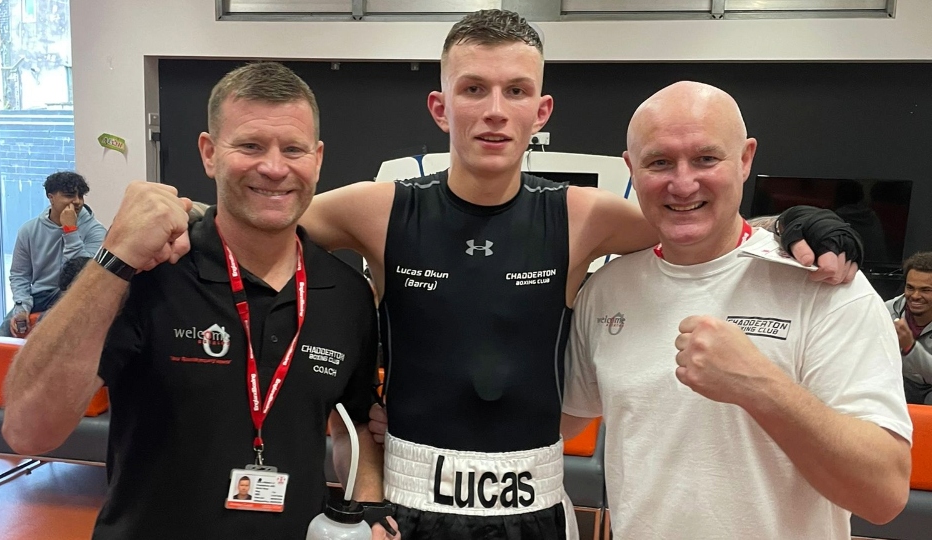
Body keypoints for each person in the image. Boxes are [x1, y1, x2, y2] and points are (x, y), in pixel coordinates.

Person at [299, 9, 861, 539]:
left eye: (515, 90)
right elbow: (260, 223)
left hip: (535, 503)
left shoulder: (582, 216)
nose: (495, 109)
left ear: (540, 111)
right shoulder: (377, 210)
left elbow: (695, 217)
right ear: (441, 107)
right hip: (407, 500)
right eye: (473, 89)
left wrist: (788, 224)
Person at [2, 62, 397, 540]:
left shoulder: (346, 294)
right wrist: (114, 258)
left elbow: (353, 424)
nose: (274, 167)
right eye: (249, 145)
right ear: (209, 153)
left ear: (316, 159)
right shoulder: (148, 272)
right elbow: (26, 431)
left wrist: (369, 509)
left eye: (292, 149)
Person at [561, 81, 912, 539]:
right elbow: (557, 425)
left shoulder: (826, 286)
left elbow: (883, 495)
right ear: (631, 167)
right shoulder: (607, 291)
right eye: (659, 161)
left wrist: (760, 387)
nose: (683, 183)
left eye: (706, 158)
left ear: (745, 159)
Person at [0, 171, 106, 337]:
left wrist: (70, 230)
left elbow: (83, 274)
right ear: (51, 197)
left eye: (81, 196)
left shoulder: (96, 231)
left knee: (46, 329)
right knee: (5, 332)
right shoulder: (29, 230)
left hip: (75, 295)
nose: (77, 201)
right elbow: (20, 275)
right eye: (69, 195)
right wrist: (21, 306)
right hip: (40, 296)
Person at [888, 251, 932, 404]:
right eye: (910, 287)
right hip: (896, 383)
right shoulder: (887, 311)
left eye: (926, 290)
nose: (915, 295)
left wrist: (910, 347)